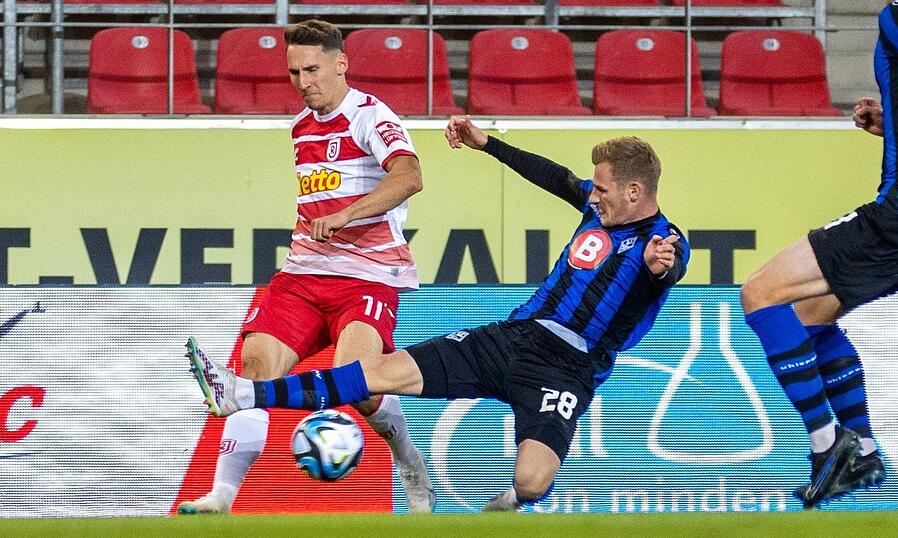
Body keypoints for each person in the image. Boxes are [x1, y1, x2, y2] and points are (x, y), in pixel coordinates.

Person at [187, 117, 690, 511]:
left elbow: (671, 269)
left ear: (633, 192)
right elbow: (552, 175)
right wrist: (486, 143)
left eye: (601, 188)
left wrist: (658, 268)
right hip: (514, 336)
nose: (592, 192)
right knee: (375, 375)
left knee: (532, 483)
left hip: (568, 369)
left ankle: (509, 507)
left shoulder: (665, 242)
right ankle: (241, 393)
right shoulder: (596, 206)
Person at [178, 19, 435, 515]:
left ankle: (408, 460)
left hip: (367, 274)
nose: (303, 82)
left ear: (341, 65)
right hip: (302, 275)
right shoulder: (300, 127)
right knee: (251, 374)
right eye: (294, 72)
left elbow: (410, 176)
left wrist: (345, 214)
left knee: (354, 384)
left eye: (312, 69)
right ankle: (222, 497)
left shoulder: (369, 115)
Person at [740, 0, 898, 509]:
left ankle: (828, 447)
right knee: (809, 317)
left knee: (760, 294)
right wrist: (895, 120)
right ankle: (864, 448)